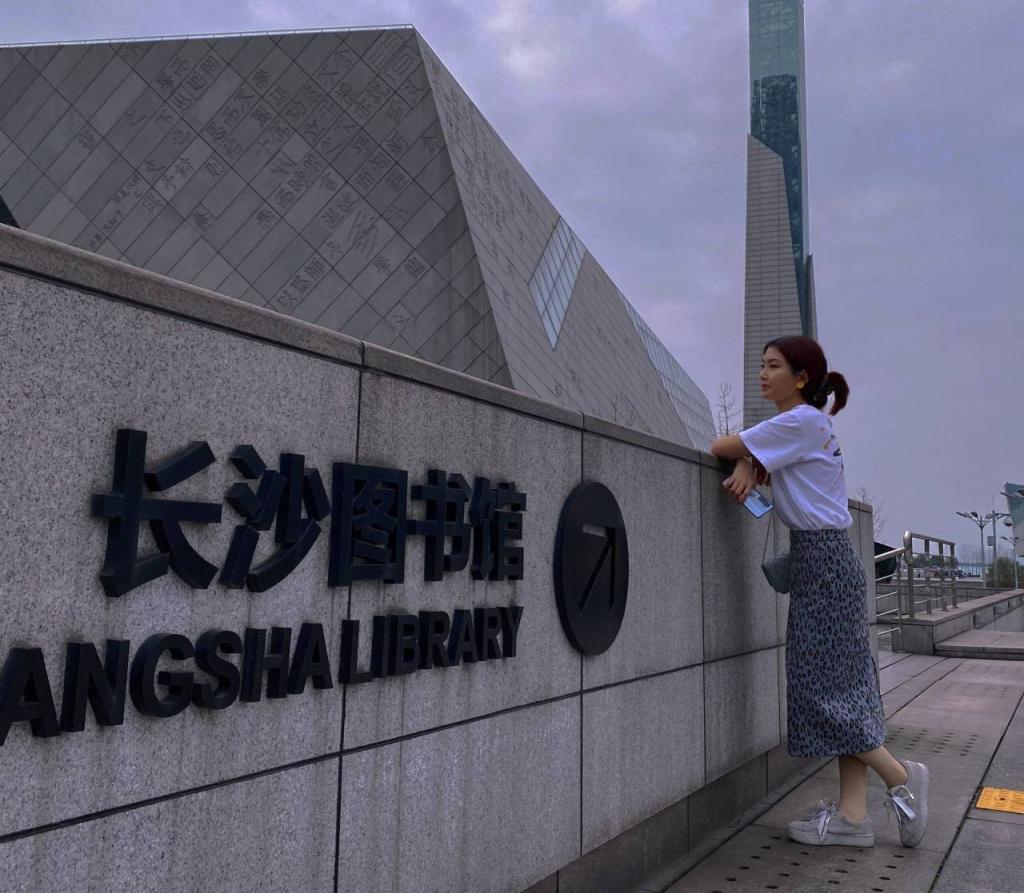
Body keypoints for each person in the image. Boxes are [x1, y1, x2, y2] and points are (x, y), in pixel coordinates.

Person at [709, 335, 929, 849]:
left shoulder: (800, 420)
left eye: (773, 366)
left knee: (819, 690)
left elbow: (721, 445)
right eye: (762, 365)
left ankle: (900, 777)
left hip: (824, 567)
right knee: (844, 689)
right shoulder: (808, 425)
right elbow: (756, 456)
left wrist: (740, 457)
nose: (763, 374)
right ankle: (853, 818)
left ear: (801, 378)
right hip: (829, 563)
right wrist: (749, 462)